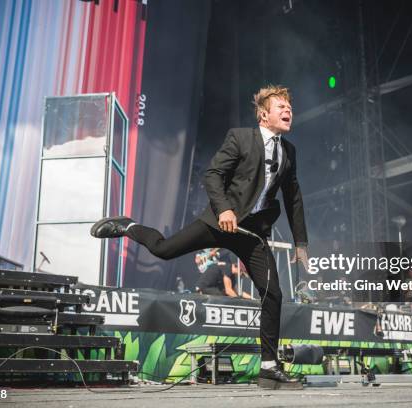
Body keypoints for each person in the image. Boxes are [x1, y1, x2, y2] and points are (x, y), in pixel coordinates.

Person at [90, 85, 308, 389]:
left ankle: (269, 367)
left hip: (251, 234)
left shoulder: (288, 152)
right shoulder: (241, 137)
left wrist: (301, 243)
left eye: (290, 107)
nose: (288, 111)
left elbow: (293, 198)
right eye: (281, 106)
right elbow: (213, 175)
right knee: (164, 250)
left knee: (273, 293)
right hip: (221, 222)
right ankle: (128, 226)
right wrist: (225, 210)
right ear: (263, 114)